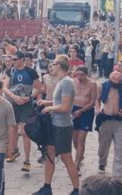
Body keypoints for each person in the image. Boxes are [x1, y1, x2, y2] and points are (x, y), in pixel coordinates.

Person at [33, 55, 80, 195]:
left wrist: (49, 108)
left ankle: (77, 190)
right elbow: (60, 101)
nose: (51, 67)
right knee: (49, 155)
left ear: (58, 65)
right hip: (55, 124)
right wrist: (46, 103)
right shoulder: (62, 81)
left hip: (62, 126)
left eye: (53, 64)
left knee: (66, 158)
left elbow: (65, 107)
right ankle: (47, 188)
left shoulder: (66, 82)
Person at [3, 51, 41, 172]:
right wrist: (14, 97)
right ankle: (14, 150)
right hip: (14, 103)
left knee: (24, 131)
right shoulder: (10, 71)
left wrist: (28, 98)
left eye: (14, 59)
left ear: (21, 59)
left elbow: (39, 88)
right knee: (13, 128)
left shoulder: (31, 72)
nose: (12, 62)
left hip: (26, 104)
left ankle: (27, 160)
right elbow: (4, 87)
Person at [95, 71, 122, 178]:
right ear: (110, 79)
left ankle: (117, 177)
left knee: (120, 150)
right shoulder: (103, 86)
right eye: (114, 81)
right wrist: (97, 110)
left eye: (118, 81)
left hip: (120, 122)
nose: (116, 83)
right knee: (103, 147)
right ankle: (102, 164)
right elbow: (97, 100)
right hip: (105, 120)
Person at [71, 66, 97, 174]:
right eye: (78, 74)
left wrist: (81, 111)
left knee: (81, 139)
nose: (80, 77)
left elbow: (92, 101)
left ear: (87, 74)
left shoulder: (92, 84)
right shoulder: (73, 82)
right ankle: (80, 155)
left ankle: (76, 164)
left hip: (86, 111)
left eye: (82, 75)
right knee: (75, 139)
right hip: (74, 109)